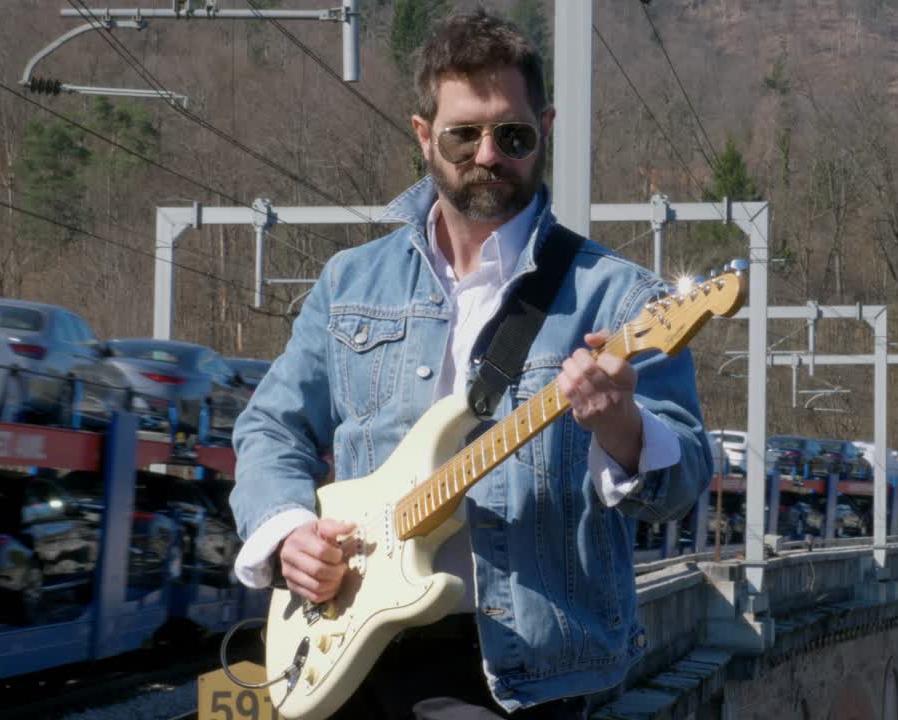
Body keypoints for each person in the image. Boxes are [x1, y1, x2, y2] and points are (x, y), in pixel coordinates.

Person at [228, 9, 712, 720]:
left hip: (513, 669)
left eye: (512, 135)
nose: (488, 154)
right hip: (344, 637)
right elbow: (271, 426)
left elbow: (684, 479)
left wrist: (622, 427)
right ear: (424, 134)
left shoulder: (620, 298)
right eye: (464, 134)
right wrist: (287, 531)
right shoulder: (350, 281)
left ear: (545, 129)